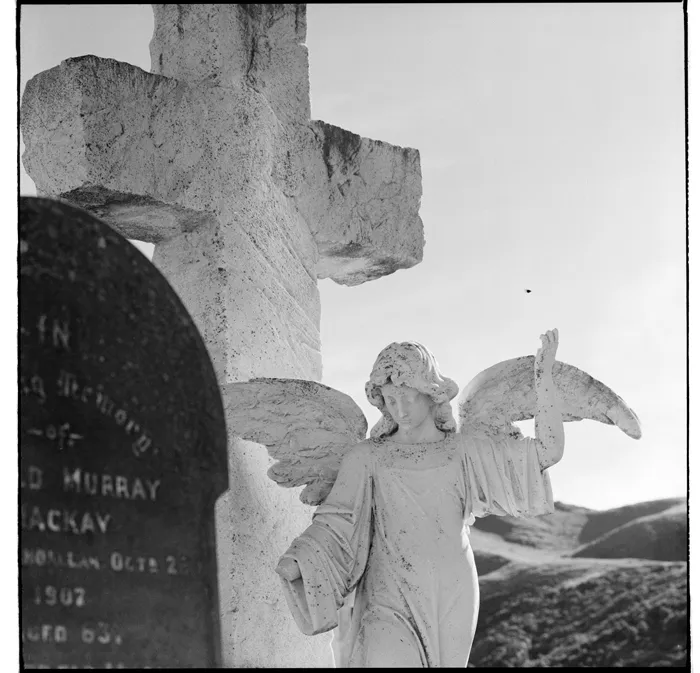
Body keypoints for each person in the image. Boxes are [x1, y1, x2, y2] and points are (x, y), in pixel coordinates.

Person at [275, 330, 564, 667]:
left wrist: (544, 380)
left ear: (430, 392)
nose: (399, 409)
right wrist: (304, 556)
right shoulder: (367, 457)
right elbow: (338, 518)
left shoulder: (462, 451)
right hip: (388, 593)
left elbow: (547, 452)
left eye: (407, 397)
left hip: (452, 589)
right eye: (389, 399)